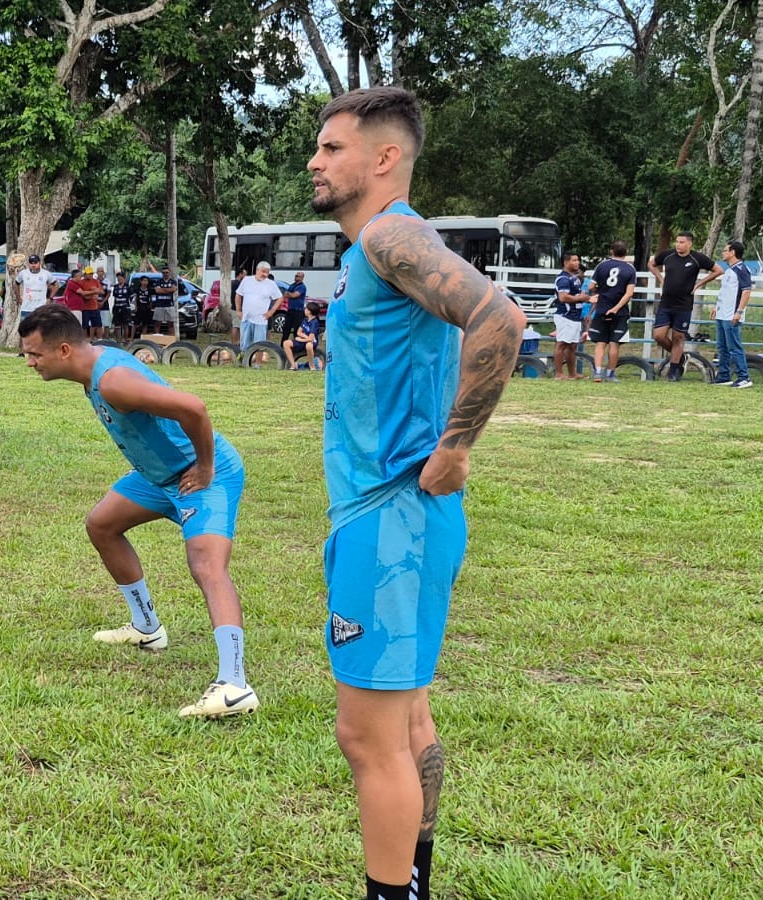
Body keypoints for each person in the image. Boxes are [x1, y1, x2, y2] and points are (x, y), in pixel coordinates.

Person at [307, 86, 523, 900]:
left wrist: (457, 447)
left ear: (384, 158)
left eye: (332, 148)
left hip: (391, 516)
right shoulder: (388, 244)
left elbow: (498, 317)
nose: (315, 161)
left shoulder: (393, 233)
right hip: (399, 516)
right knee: (407, 726)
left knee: (368, 740)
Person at [17, 304, 255, 719]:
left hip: (200, 477)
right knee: (102, 525)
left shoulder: (114, 383)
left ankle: (234, 686)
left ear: (66, 350)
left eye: (35, 355)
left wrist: (205, 467)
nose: (30, 363)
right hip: (158, 477)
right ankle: (147, 628)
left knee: (206, 566)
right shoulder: (91, 368)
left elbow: (193, 408)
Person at [648, 232, 721, 381]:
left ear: (689, 244)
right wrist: (661, 279)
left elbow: (718, 270)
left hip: (684, 304)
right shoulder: (668, 255)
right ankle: (681, 357)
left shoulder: (697, 258)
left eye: (682, 242)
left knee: (678, 337)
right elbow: (651, 264)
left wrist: (699, 284)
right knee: (659, 336)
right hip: (666, 303)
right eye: (677, 242)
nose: (678, 245)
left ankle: (674, 371)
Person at [702, 241, 754, 387]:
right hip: (722, 314)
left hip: (731, 315)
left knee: (734, 347)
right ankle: (724, 375)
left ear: (732, 252)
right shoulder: (730, 270)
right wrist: (716, 307)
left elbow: (746, 291)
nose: (723, 253)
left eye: (725, 250)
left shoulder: (742, 269)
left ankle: (744, 377)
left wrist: (739, 312)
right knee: (722, 347)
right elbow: (725, 292)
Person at [587, 241, 637, 382]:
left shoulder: (602, 266)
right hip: (619, 312)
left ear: (611, 251)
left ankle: (597, 372)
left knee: (601, 343)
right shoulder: (630, 269)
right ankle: (610, 374)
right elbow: (629, 293)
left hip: (602, 308)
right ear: (626, 252)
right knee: (615, 343)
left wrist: (599, 293)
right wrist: (616, 308)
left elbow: (591, 286)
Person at [552, 253, 589, 379]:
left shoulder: (575, 278)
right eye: (574, 260)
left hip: (575, 316)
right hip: (565, 316)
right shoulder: (563, 279)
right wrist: (580, 298)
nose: (577, 263)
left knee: (572, 345)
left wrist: (586, 298)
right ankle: (559, 373)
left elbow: (578, 296)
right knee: (561, 344)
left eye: (578, 260)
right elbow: (563, 297)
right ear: (565, 262)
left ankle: (572, 373)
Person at [234, 262, 284, 349]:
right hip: (246, 318)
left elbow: (280, 298)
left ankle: (257, 363)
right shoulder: (247, 280)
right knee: (244, 344)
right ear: (257, 270)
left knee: (259, 345)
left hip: (261, 320)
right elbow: (238, 295)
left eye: (267, 272)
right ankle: (244, 361)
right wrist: (238, 310)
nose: (265, 274)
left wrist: (271, 312)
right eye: (263, 271)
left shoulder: (271, 284)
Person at [12, 254, 54, 319]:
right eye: (31, 263)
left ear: (39, 263)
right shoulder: (23, 273)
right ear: (29, 264)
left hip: (41, 308)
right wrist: (18, 298)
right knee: (25, 328)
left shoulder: (46, 274)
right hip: (26, 308)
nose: (33, 265)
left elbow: (56, 285)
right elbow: (16, 284)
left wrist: (50, 298)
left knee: (40, 328)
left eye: (35, 263)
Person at [285, 301, 324, 370]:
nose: (304, 310)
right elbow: (298, 332)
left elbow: (311, 339)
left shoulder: (314, 322)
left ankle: (312, 366)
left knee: (308, 345)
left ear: (309, 311)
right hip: (305, 340)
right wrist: (305, 336)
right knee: (286, 343)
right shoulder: (305, 320)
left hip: (311, 342)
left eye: (306, 309)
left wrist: (300, 339)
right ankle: (293, 365)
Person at [151, 265, 179, 335]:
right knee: (157, 323)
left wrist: (162, 289)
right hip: (159, 305)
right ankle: (157, 340)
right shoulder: (158, 281)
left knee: (170, 324)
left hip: (169, 305)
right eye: (163, 273)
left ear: (169, 273)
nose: (165, 274)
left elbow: (173, 289)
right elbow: (157, 291)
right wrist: (168, 290)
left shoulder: (173, 282)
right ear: (162, 273)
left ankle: (171, 340)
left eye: (167, 272)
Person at [78, 266, 105, 340]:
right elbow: (83, 295)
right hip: (85, 308)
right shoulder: (81, 282)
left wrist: (96, 291)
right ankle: (85, 340)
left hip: (94, 307)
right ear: (85, 274)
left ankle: (100, 339)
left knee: (98, 324)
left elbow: (102, 291)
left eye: (90, 273)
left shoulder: (96, 281)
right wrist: (93, 292)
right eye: (87, 273)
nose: (89, 275)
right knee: (85, 326)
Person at [283, 271, 309, 341]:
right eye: (296, 276)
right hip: (290, 309)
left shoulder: (302, 287)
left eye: (298, 276)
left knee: (297, 329)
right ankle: (283, 344)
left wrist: (290, 294)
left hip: (298, 311)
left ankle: (296, 344)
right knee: (286, 328)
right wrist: (290, 294)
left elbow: (295, 295)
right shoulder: (292, 285)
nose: (296, 277)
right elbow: (285, 294)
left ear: (302, 278)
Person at [109, 271, 134, 340]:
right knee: (117, 325)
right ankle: (119, 340)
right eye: (118, 279)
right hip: (117, 307)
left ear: (124, 278)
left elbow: (132, 297)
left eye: (120, 278)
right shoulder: (115, 287)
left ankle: (125, 340)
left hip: (125, 308)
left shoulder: (128, 287)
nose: (119, 280)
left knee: (125, 325)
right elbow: (115, 297)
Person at [132, 275, 156, 339]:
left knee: (145, 325)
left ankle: (142, 339)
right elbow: (135, 299)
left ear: (148, 282)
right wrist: (135, 307)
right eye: (143, 281)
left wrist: (150, 307)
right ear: (141, 281)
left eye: (146, 281)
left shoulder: (150, 290)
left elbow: (151, 299)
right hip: (139, 308)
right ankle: (131, 339)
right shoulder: (137, 289)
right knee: (135, 324)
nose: (145, 282)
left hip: (146, 309)